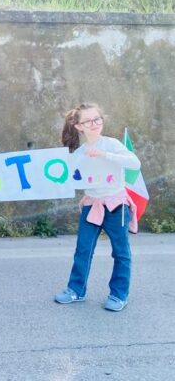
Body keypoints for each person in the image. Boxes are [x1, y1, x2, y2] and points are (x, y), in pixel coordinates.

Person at [54, 103, 141, 312]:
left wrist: (104, 155)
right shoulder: (79, 153)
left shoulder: (111, 144)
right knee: (83, 250)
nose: (94, 123)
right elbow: (68, 176)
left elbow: (134, 163)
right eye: (88, 121)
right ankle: (76, 290)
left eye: (97, 119)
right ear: (78, 126)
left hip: (116, 205)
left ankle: (118, 295)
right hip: (91, 205)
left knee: (121, 252)